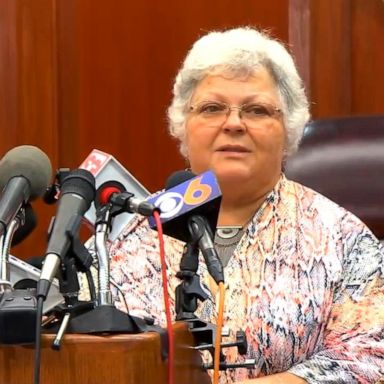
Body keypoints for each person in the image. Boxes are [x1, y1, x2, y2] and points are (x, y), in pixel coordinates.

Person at [90, 27, 384, 383]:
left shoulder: (343, 239)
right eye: (212, 108)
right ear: (184, 124)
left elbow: (368, 360)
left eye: (257, 110)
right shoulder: (126, 234)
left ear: (288, 128)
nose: (233, 123)